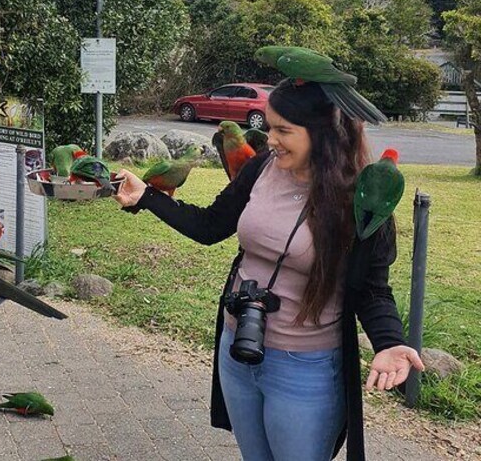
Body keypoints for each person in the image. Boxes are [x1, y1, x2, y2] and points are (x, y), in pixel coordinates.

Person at [113, 79, 424, 461]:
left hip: (305, 369)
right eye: (270, 127)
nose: (269, 139)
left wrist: (390, 342)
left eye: (283, 130)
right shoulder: (262, 167)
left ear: (323, 134)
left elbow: (372, 288)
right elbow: (211, 226)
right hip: (238, 347)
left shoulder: (360, 199)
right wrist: (147, 197)